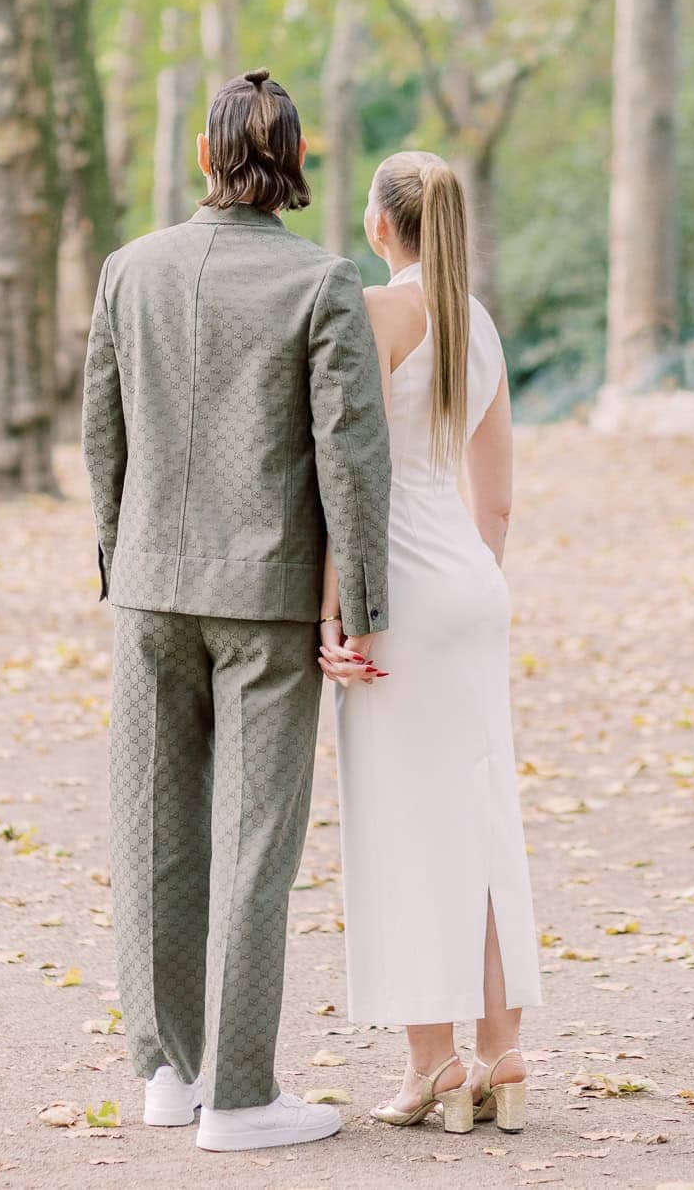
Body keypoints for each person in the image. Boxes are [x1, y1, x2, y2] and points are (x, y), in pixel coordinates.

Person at [81, 69, 391, 1154]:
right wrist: (360, 607)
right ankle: (244, 1095)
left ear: (206, 160)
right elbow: (350, 462)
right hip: (266, 602)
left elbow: (101, 437)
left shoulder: (131, 271)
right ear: (294, 164)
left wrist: (120, 562)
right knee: (256, 844)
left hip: (152, 590)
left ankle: (169, 1071)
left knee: (154, 832)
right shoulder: (323, 284)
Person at [322, 150, 542, 1135]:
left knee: (407, 828)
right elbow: (493, 498)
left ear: (380, 228)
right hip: (469, 585)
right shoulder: (479, 326)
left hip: (396, 591)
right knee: (484, 823)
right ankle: (506, 1056)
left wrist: (335, 609)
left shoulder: (376, 316)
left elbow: (350, 481)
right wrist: (472, 579)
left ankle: (433, 1067)